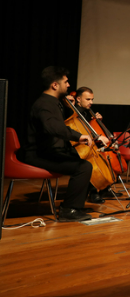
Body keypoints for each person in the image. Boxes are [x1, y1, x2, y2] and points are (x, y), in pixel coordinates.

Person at [21, 67, 108, 222]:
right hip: (37, 154)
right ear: (55, 85)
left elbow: (61, 124)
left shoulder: (53, 102)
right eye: (66, 82)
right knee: (83, 167)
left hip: (47, 151)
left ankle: (76, 205)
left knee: (84, 161)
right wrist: (79, 136)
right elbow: (53, 127)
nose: (69, 85)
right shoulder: (45, 104)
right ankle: (69, 210)